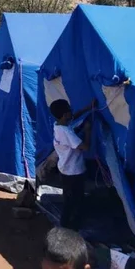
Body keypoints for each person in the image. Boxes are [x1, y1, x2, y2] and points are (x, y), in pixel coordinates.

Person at [49, 99, 95, 230]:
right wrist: (88, 131)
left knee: (68, 199)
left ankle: (65, 226)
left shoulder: (57, 125)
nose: (72, 112)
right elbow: (85, 147)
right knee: (76, 202)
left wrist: (88, 107)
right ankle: (71, 229)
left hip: (64, 169)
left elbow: (75, 115)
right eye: (69, 111)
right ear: (65, 115)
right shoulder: (67, 133)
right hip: (75, 172)